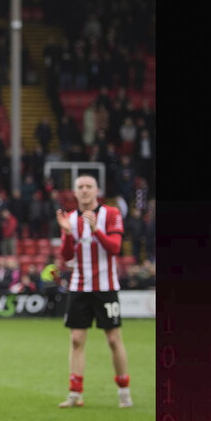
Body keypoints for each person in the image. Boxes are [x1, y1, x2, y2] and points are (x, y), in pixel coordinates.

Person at [54, 174, 132, 408]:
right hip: (79, 286)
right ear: (75, 193)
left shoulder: (112, 214)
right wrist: (67, 233)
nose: (85, 190)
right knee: (76, 339)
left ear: (97, 190)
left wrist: (96, 230)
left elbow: (115, 248)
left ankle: (124, 390)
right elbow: (66, 256)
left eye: (89, 186)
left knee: (113, 340)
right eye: (81, 187)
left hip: (106, 287)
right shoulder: (70, 218)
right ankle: (75, 394)